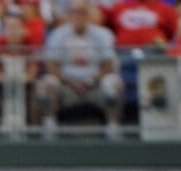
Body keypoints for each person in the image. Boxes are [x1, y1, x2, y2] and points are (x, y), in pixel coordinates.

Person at [37, 0, 123, 138]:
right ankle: (50, 126)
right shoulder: (58, 34)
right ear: (69, 15)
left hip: (95, 86)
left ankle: (113, 126)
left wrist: (90, 81)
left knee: (113, 82)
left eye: (82, 12)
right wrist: (70, 82)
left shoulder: (103, 34)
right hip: (67, 87)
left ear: (89, 15)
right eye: (74, 12)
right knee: (47, 83)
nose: (78, 16)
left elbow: (109, 65)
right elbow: (51, 65)